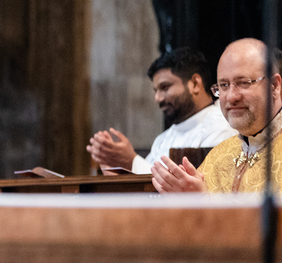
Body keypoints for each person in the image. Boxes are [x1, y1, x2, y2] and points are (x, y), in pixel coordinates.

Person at [152, 38, 282, 193]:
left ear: (274, 86)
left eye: (244, 83)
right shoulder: (218, 156)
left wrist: (201, 202)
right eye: (224, 85)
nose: (231, 97)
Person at [86, 47, 234, 174]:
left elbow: (200, 188)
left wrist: (131, 161)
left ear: (195, 84)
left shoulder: (221, 127)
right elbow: (141, 182)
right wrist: (114, 167)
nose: (158, 98)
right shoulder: (164, 138)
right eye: (156, 90)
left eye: (165, 87)